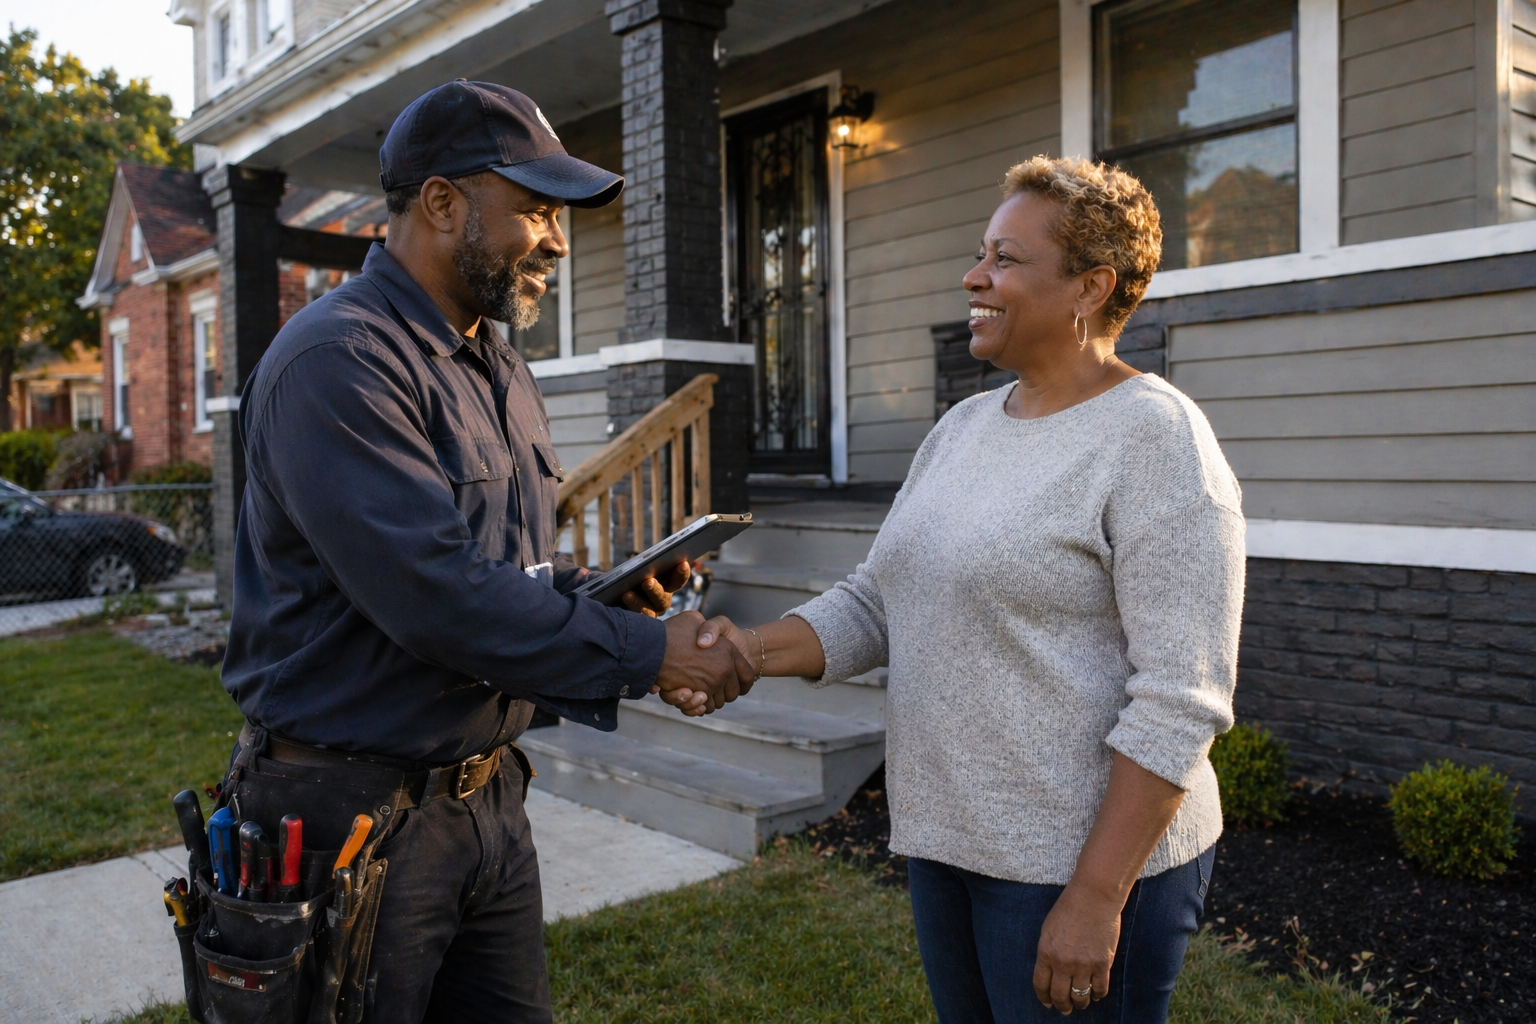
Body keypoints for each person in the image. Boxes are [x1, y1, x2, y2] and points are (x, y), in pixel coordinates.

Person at [219, 81, 754, 1024]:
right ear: (441, 201)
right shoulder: (337, 361)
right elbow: (436, 596)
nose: (557, 238)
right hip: (345, 816)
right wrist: (647, 654)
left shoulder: (498, 365)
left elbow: (502, 573)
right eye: (537, 210)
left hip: (487, 806)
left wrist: (604, 595)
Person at [689, 156, 1245, 1023]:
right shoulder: (961, 428)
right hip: (948, 842)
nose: (974, 277)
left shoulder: (1157, 440)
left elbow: (1181, 699)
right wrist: (749, 653)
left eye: (1005, 259)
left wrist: (1097, 897)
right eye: (981, 254)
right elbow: (881, 598)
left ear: (1091, 287)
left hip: (1078, 865)